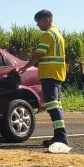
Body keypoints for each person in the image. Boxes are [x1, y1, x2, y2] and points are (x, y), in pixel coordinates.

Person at [18, 9, 69, 147]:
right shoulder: (57, 33)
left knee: (52, 105)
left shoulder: (48, 34)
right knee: (56, 105)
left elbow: (38, 54)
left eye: (38, 21)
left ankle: (61, 137)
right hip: (57, 74)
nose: (37, 25)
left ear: (47, 19)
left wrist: (26, 67)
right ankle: (60, 135)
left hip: (49, 74)